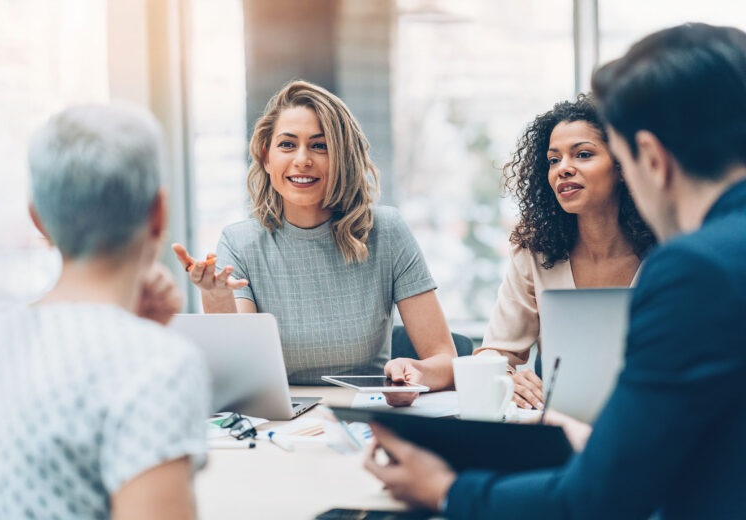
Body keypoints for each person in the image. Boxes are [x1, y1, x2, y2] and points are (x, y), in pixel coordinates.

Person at [365, 23, 746, 519]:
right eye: (554, 159)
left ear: (650, 160)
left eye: (610, 157)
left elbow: (602, 498)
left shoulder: (695, 267)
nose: (565, 168)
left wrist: (445, 489)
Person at [0, 104, 209, 519]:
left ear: (38, 220)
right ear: (159, 213)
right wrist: (145, 340)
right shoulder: (156, 364)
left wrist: (138, 329)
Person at [172, 80, 456, 405]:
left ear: (343, 158)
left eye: (320, 146)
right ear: (266, 158)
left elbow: (445, 361)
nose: (302, 159)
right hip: (279, 419)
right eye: (287, 145)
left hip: (367, 416)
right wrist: (215, 296)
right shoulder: (239, 243)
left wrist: (417, 373)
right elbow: (239, 370)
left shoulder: (386, 232)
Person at [474, 95, 654, 409]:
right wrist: (505, 377)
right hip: (566, 419)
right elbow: (493, 353)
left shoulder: (668, 248)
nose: (563, 169)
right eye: (553, 160)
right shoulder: (536, 250)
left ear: (622, 164)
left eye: (583, 154)